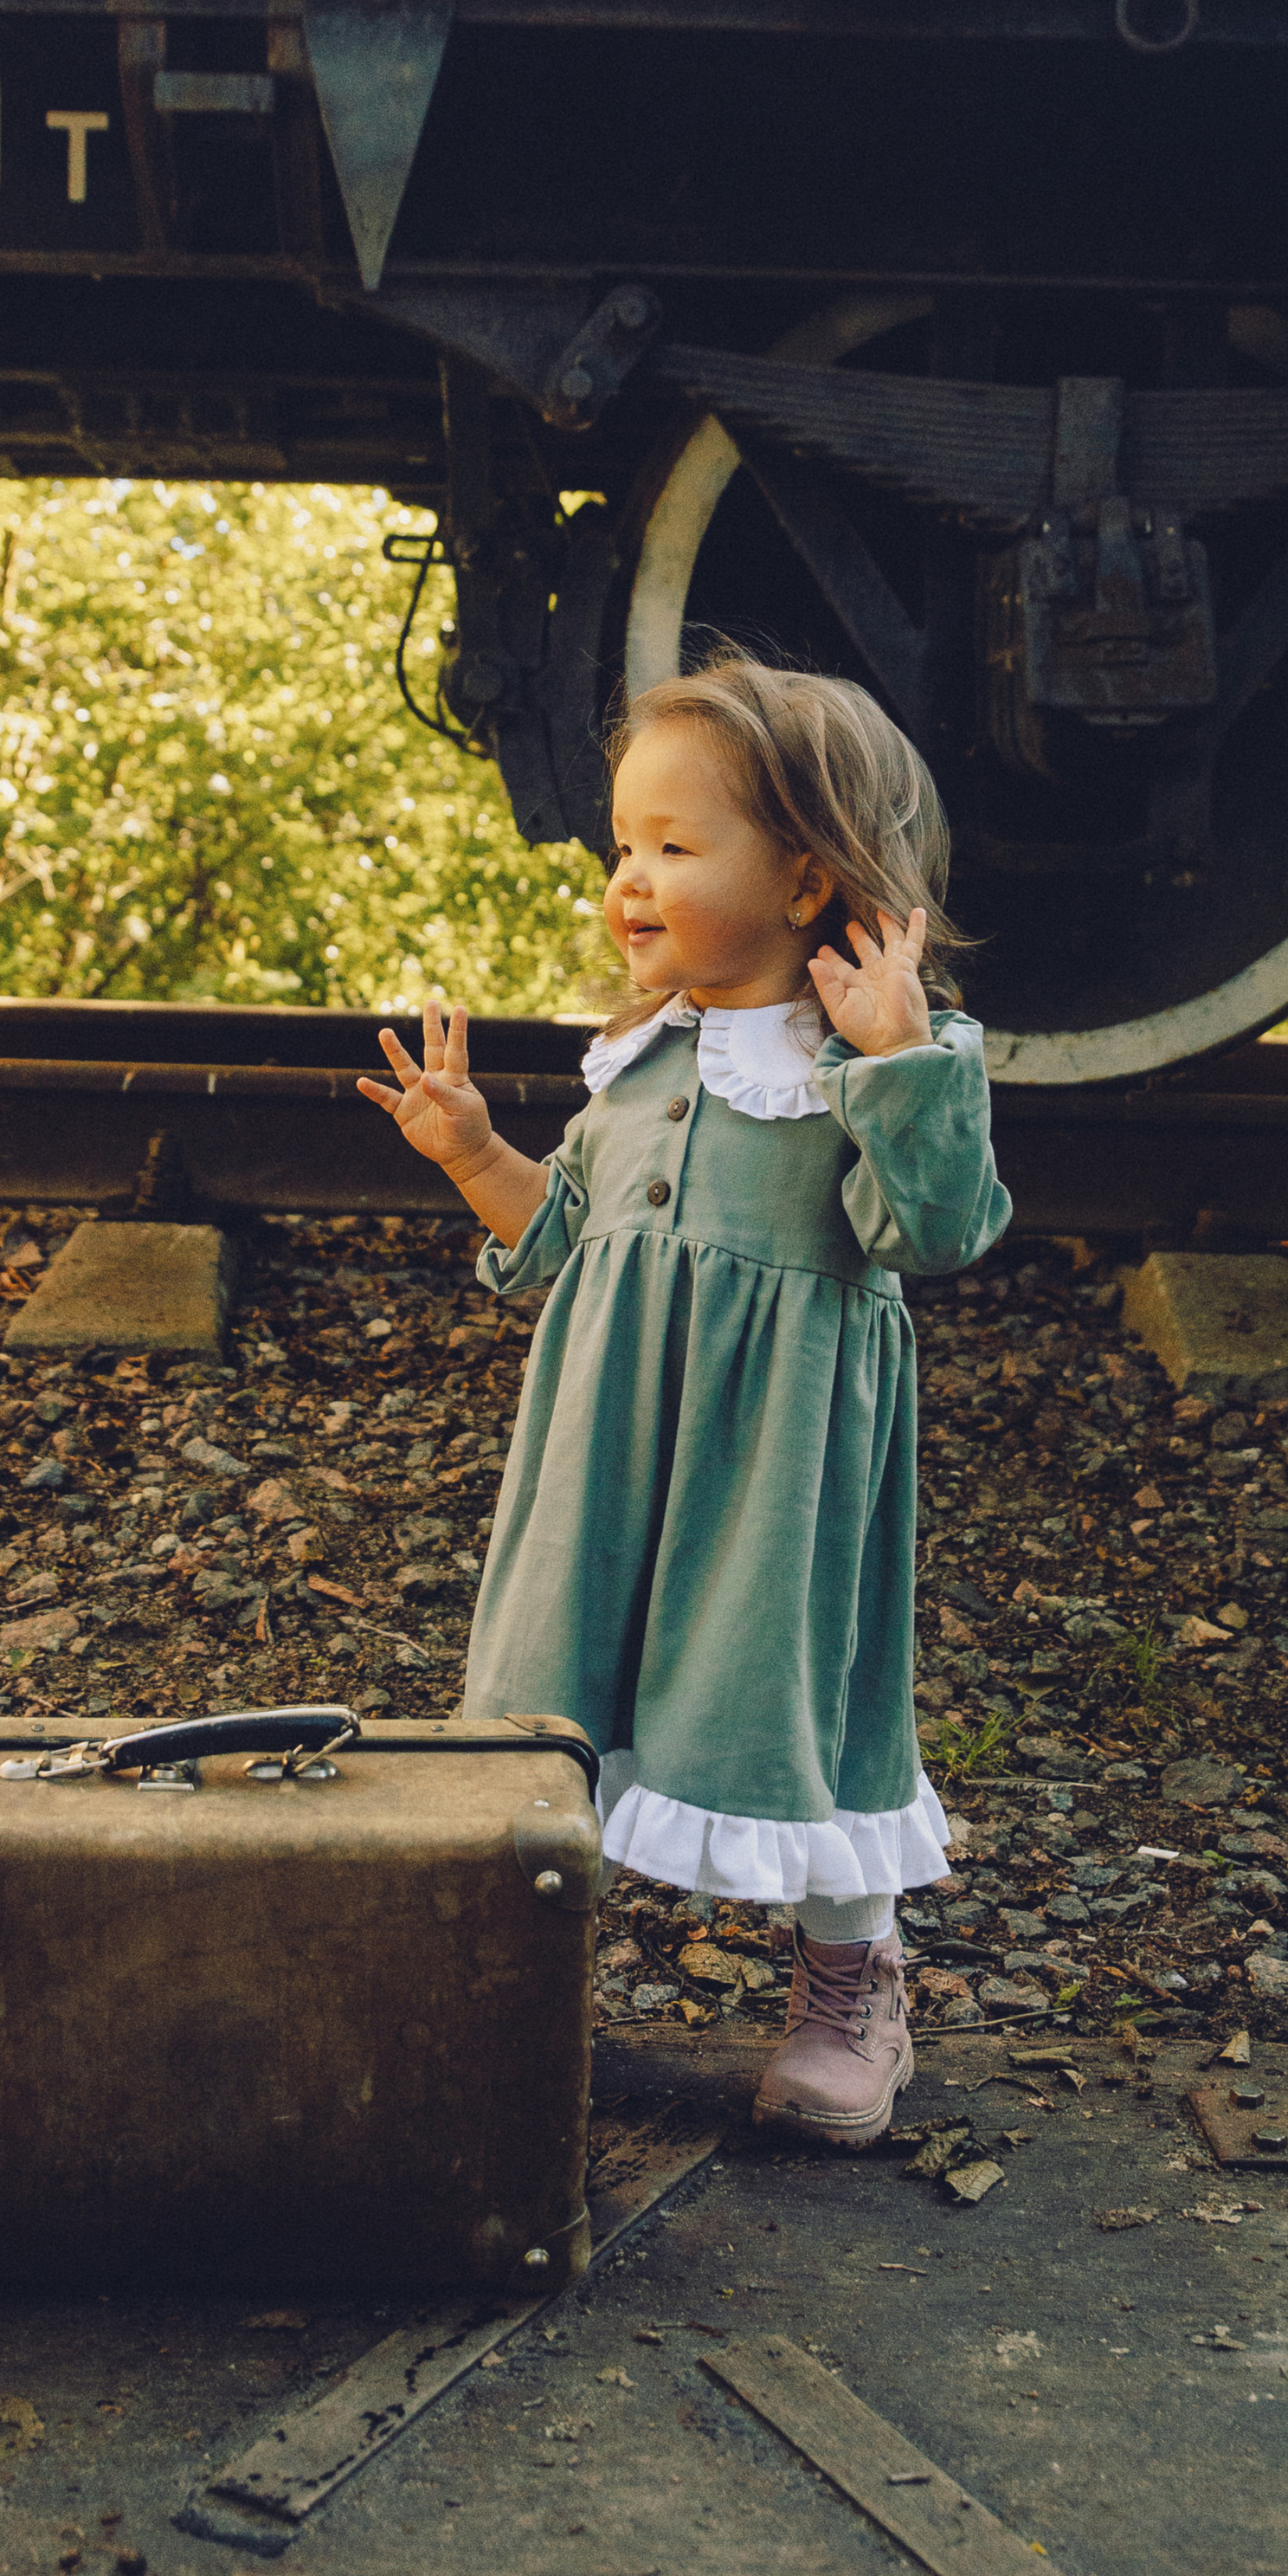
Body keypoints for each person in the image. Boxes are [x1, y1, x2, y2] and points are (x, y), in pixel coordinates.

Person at [357, 651, 1010, 2147]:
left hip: (772, 1463)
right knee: (552, 1698)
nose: (627, 881)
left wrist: (898, 1061)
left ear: (801, 878)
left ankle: (855, 1985)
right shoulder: (637, 1059)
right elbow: (567, 1252)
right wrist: (474, 1157)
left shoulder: (877, 1056)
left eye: (671, 846)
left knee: (791, 1700)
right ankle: (515, 1983)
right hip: (603, 1450)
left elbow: (942, 1231)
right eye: (620, 848)